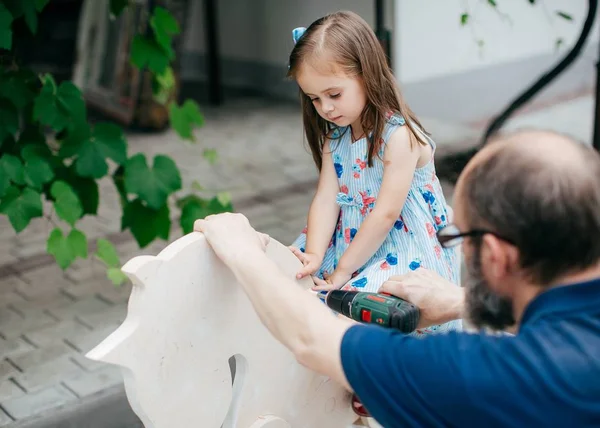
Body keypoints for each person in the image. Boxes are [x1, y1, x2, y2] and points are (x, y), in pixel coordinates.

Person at [194, 129, 600, 427]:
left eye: (457, 236)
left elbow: (311, 339)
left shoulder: (490, 375)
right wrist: (462, 301)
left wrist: (241, 250)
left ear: (495, 255)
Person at [285, 11, 461, 336]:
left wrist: (341, 273)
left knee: (356, 312)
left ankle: (366, 374)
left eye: (334, 94)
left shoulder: (399, 137)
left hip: (402, 247)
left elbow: (385, 214)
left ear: (366, 75)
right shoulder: (335, 139)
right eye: (314, 99)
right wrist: (315, 253)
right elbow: (326, 200)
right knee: (294, 284)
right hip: (352, 242)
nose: (325, 108)